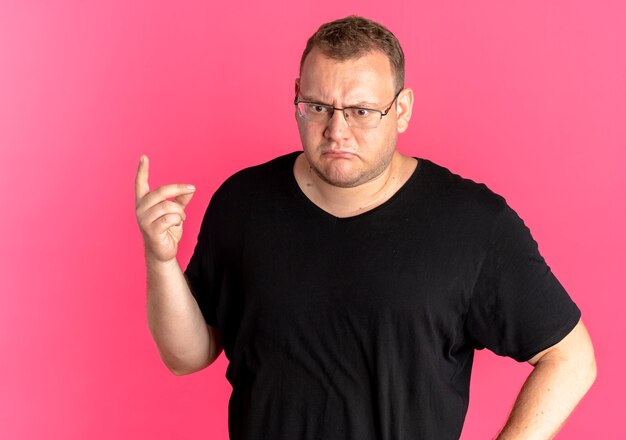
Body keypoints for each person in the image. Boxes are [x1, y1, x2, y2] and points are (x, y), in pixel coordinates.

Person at [135, 16, 596, 440]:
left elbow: (570, 359)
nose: (337, 131)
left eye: (360, 111)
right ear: (296, 95)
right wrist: (160, 261)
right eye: (318, 107)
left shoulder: (473, 223)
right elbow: (187, 356)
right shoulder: (241, 203)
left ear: (401, 109)